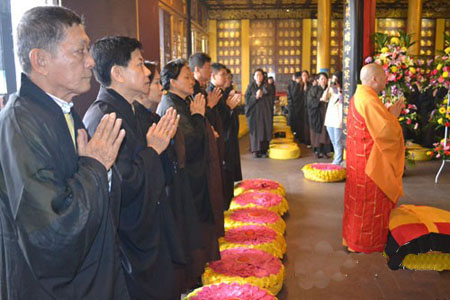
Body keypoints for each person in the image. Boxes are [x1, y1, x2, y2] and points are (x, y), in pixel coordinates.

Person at [0, 6, 129, 299]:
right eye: (80, 52)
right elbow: (52, 230)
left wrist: (100, 169)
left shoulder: (64, 111)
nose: (90, 62)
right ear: (40, 60)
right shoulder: (20, 124)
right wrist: (96, 167)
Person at [83, 36, 184, 300]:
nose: (148, 71)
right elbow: (122, 187)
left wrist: (160, 148)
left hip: (151, 231)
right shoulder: (104, 117)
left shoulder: (131, 111)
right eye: (139, 64)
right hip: (131, 244)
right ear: (117, 73)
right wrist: (153, 151)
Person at [133, 61, 204, 292]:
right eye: (154, 82)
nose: (159, 88)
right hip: (164, 192)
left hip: (175, 185)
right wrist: (199, 118)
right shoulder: (166, 107)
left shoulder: (157, 112)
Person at [157, 59, 221, 287]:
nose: (192, 80)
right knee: (189, 231)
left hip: (195, 179)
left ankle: (197, 271)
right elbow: (190, 146)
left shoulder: (182, 102)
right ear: (172, 82)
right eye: (186, 76)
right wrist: (198, 117)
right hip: (185, 183)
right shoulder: (171, 105)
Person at [343, 63, 405, 253]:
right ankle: (366, 243)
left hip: (358, 160)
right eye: (384, 77)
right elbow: (386, 132)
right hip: (370, 164)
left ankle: (352, 239)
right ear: (375, 79)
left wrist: (386, 114)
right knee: (370, 205)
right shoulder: (369, 100)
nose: (387, 81)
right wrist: (393, 117)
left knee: (357, 204)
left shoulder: (360, 96)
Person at [207, 63, 241, 209]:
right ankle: (225, 207)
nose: (226, 78)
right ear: (212, 76)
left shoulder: (221, 93)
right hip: (221, 141)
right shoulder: (211, 93)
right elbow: (218, 120)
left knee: (228, 175)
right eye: (223, 75)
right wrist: (228, 108)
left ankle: (228, 205)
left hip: (228, 139)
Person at [245, 69, 273, 158]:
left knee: (265, 130)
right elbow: (247, 100)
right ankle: (255, 150)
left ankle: (264, 150)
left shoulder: (267, 86)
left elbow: (271, 99)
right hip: (254, 113)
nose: (258, 77)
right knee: (255, 131)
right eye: (257, 75)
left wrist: (263, 94)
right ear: (254, 77)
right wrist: (255, 97)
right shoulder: (250, 86)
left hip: (264, 112)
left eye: (260, 75)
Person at [322, 71, 344, 165]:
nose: (334, 82)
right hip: (330, 119)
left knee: (338, 141)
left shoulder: (344, 90)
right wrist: (328, 87)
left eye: (336, 79)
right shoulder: (331, 90)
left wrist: (339, 88)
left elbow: (342, 101)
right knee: (334, 142)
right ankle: (337, 160)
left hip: (338, 120)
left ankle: (337, 162)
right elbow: (323, 98)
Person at [307, 72, 331, 158]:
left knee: (325, 132)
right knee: (317, 133)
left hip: (326, 113)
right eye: (322, 79)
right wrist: (320, 100)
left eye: (325, 79)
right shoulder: (314, 89)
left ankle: (324, 151)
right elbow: (310, 102)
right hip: (317, 113)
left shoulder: (329, 89)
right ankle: (317, 150)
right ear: (317, 80)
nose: (324, 81)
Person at [287, 72, 302, 137]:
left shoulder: (299, 84)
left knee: (297, 122)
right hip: (293, 106)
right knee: (293, 122)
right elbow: (293, 96)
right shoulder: (293, 85)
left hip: (297, 106)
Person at [299, 70, 312, 145]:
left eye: (306, 75)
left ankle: (308, 139)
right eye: (303, 75)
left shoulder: (310, 85)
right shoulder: (299, 85)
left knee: (307, 123)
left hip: (308, 107)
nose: (304, 77)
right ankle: (302, 138)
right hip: (301, 107)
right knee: (301, 123)